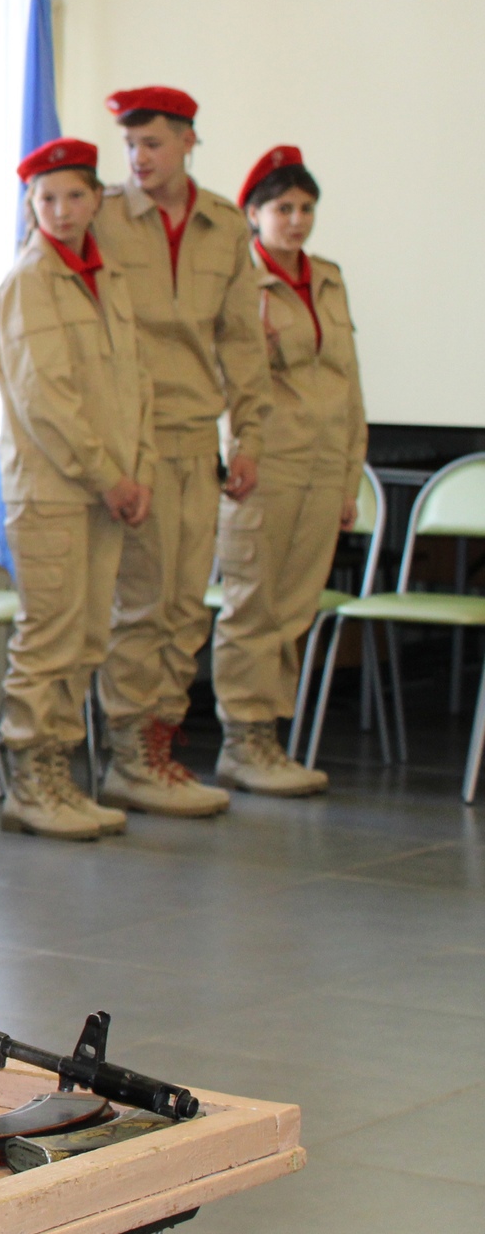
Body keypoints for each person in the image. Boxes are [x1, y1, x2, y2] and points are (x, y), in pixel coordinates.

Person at [89, 86, 271, 816]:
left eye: (154, 143)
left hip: (198, 436)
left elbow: (241, 339)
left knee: (186, 604)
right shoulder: (101, 214)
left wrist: (248, 436)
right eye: (131, 145)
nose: (140, 159)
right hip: (133, 439)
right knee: (142, 602)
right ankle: (131, 752)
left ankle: (161, 741)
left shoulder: (224, 225)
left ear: (189, 140)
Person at [0, 139, 155, 840]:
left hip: (105, 488)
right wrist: (110, 474)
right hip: (56, 488)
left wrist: (137, 468)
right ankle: (33, 780)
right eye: (46, 197)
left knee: (88, 636)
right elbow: (45, 400)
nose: (61, 210)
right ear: (30, 203)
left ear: (97, 199)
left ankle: (59, 773)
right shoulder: (30, 281)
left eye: (76, 195)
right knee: (50, 635)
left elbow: (136, 386)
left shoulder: (105, 276)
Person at [208, 146, 363, 796]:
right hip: (265, 463)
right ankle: (244, 740)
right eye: (282, 208)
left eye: (305, 208)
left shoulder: (325, 276)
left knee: (295, 606)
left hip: (325, 463)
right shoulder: (240, 283)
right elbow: (227, 380)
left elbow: (348, 384)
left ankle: (269, 737)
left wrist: (351, 475)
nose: (296, 221)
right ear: (253, 214)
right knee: (255, 602)